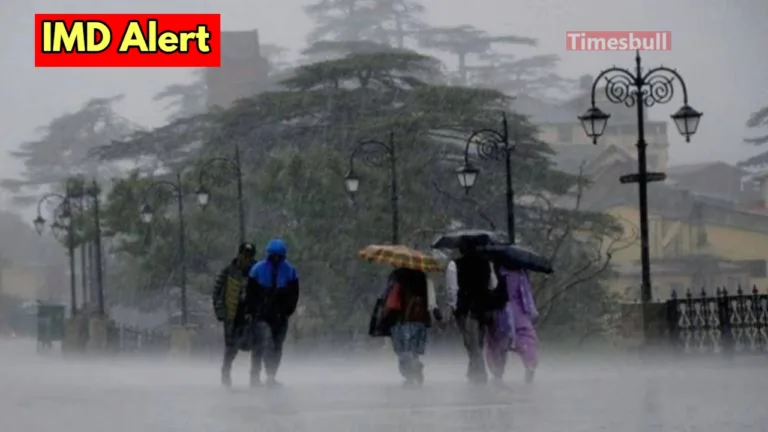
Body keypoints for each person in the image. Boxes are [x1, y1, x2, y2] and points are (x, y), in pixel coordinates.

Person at [245, 239, 299, 387]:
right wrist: (251, 311)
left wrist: (288, 310)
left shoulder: (290, 271)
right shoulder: (257, 270)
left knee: (277, 345)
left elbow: (294, 294)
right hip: (261, 315)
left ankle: (271, 375)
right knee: (263, 342)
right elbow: (250, 294)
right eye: (272, 256)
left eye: (278, 256)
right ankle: (255, 375)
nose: (275, 259)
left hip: (280, 316)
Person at [445, 241, 498, 384]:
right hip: (484, 307)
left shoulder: (454, 265)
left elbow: (452, 289)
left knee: (471, 342)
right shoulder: (487, 263)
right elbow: (493, 284)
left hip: (465, 308)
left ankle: (480, 373)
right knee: (479, 341)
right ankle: (473, 372)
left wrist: (453, 306)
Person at [380, 267, 442, 387]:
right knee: (413, 351)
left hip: (402, 320)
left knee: (402, 352)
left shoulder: (396, 276)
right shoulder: (424, 278)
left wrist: (383, 317)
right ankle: (414, 369)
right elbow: (432, 302)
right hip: (421, 321)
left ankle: (412, 373)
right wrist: (436, 318)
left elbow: (389, 300)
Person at [485, 266, 539, 384]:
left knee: (497, 343)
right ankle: (529, 367)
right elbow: (525, 295)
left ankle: (497, 373)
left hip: (500, 311)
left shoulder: (494, 270)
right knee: (527, 340)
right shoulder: (520, 273)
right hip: (517, 313)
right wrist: (531, 311)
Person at [212, 242, 256, 387]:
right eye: (245, 255)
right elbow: (217, 293)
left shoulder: (257, 271)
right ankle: (226, 371)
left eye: (250, 256)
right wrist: (221, 313)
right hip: (232, 315)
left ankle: (255, 376)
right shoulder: (227, 272)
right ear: (239, 255)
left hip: (251, 314)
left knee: (257, 344)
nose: (247, 259)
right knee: (232, 346)